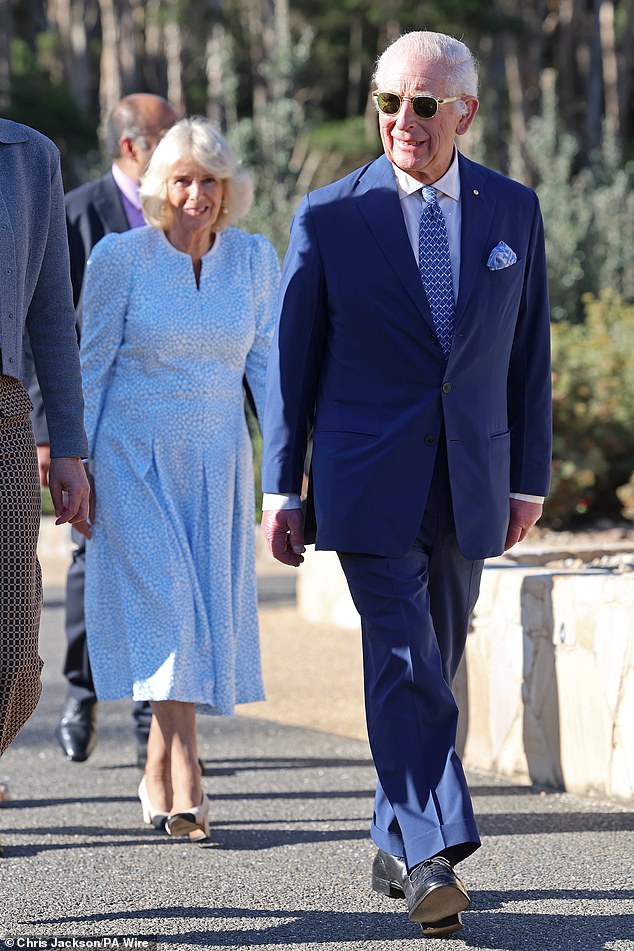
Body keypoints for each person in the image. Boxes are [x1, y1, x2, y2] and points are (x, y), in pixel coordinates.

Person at [261, 31, 551, 939]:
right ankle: (432, 854)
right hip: (365, 478)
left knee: (436, 661)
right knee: (400, 656)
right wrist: (283, 488)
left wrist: (529, 478)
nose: (403, 122)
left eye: (423, 104)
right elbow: (289, 366)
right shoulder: (328, 216)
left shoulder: (514, 210)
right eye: (389, 102)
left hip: (472, 476)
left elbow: (528, 357)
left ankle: (394, 835)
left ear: (463, 111)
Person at [76, 117, 279, 841]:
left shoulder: (255, 259)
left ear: (228, 189)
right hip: (131, 461)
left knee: (195, 612)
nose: (196, 194)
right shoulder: (119, 257)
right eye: (183, 179)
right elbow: (89, 366)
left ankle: (156, 763)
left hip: (220, 465)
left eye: (209, 180)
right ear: (161, 187)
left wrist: (285, 479)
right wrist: (73, 462)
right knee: (173, 609)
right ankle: (188, 770)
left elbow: (272, 376)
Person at [24, 94, 178, 765]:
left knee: (162, 568)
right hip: (90, 420)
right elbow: (42, 321)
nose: (180, 148)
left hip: (166, 421)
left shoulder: (182, 210)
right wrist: (49, 430)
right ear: (130, 147)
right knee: (91, 561)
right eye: (166, 136)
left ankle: (152, 720)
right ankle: (82, 691)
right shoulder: (75, 212)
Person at [0, 119, 89, 761]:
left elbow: (52, 314)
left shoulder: (29, 158)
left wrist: (67, 444)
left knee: (10, 642)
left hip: (4, 418)